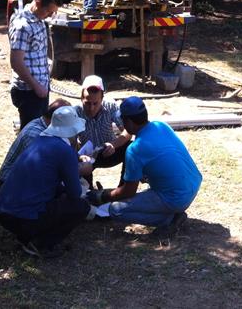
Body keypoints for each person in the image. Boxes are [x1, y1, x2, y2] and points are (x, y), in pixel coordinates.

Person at [86, 96, 202, 237]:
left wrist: (103, 196)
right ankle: (170, 211)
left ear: (128, 121)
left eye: (123, 120)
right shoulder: (161, 125)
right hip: (193, 184)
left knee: (116, 210)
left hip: (176, 197)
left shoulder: (135, 149)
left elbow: (128, 192)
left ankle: (170, 219)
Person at [0, 105, 91, 258]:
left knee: (57, 198)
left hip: (2, 212)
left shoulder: (40, 139)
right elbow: (75, 193)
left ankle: (26, 235)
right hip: (22, 217)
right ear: (72, 132)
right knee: (80, 207)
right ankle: (41, 243)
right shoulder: (64, 150)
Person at [8, 0, 62, 129]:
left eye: (53, 12)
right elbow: (16, 62)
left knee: (41, 129)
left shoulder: (39, 19)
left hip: (40, 88)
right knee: (31, 132)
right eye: (49, 11)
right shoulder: (22, 26)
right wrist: (36, 86)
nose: (50, 15)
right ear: (37, 3)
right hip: (29, 91)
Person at [0, 98, 71, 191]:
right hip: (8, 185)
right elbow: (40, 172)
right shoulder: (35, 135)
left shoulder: (47, 128)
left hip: (24, 180)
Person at [75, 75, 130, 185]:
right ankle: (86, 191)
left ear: (102, 99)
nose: (91, 108)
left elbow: (128, 131)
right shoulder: (75, 112)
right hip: (88, 156)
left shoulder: (111, 106)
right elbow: (69, 142)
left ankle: (124, 187)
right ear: (81, 98)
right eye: (87, 103)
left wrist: (113, 144)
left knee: (132, 148)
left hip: (110, 151)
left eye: (95, 103)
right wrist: (79, 156)